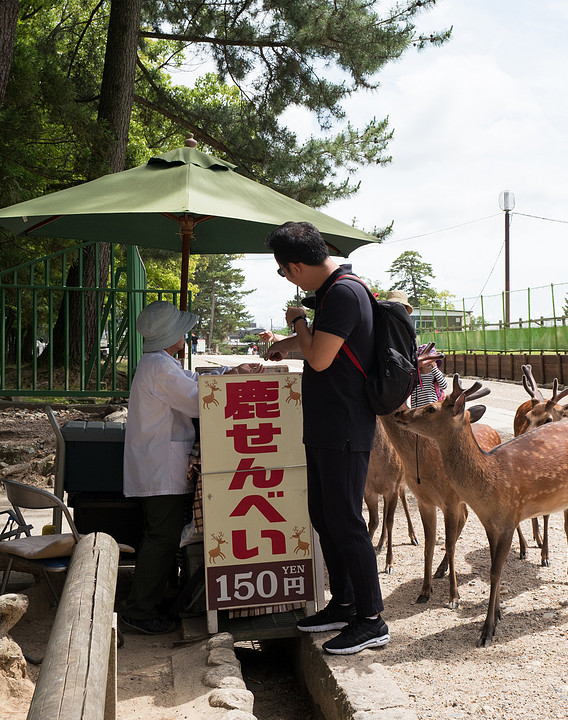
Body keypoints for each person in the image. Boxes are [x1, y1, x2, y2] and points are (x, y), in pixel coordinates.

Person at [264, 221, 389, 655]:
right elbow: (330, 348)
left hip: (345, 426)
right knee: (324, 515)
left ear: (295, 267)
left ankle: (371, 619)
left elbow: (318, 357)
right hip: (326, 425)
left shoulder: (343, 293)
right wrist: (287, 340)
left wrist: (298, 321)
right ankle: (345, 602)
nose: (286, 279)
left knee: (346, 521)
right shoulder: (336, 291)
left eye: (283, 272)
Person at [121, 301, 264, 635]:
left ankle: (153, 599)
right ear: (172, 336)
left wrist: (228, 373)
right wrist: (231, 379)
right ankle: (140, 611)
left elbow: (193, 381)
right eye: (181, 331)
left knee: (162, 535)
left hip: (159, 465)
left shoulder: (159, 363)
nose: (186, 335)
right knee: (163, 537)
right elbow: (199, 399)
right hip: (160, 468)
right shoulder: (159, 366)